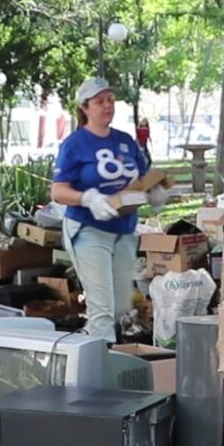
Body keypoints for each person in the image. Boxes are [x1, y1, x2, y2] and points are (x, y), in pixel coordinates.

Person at [52, 77, 164, 341]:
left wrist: (157, 191)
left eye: (111, 100)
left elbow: (144, 178)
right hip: (89, 229)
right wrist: (88, 198)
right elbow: (57, 191)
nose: (107, 106)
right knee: (101, 308)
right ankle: (99, 370)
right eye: (100, 101)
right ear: (85, 107)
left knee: (119, 308)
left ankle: (110, 357)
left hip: (124, 231)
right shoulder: (75, 144)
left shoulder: (124, 141)